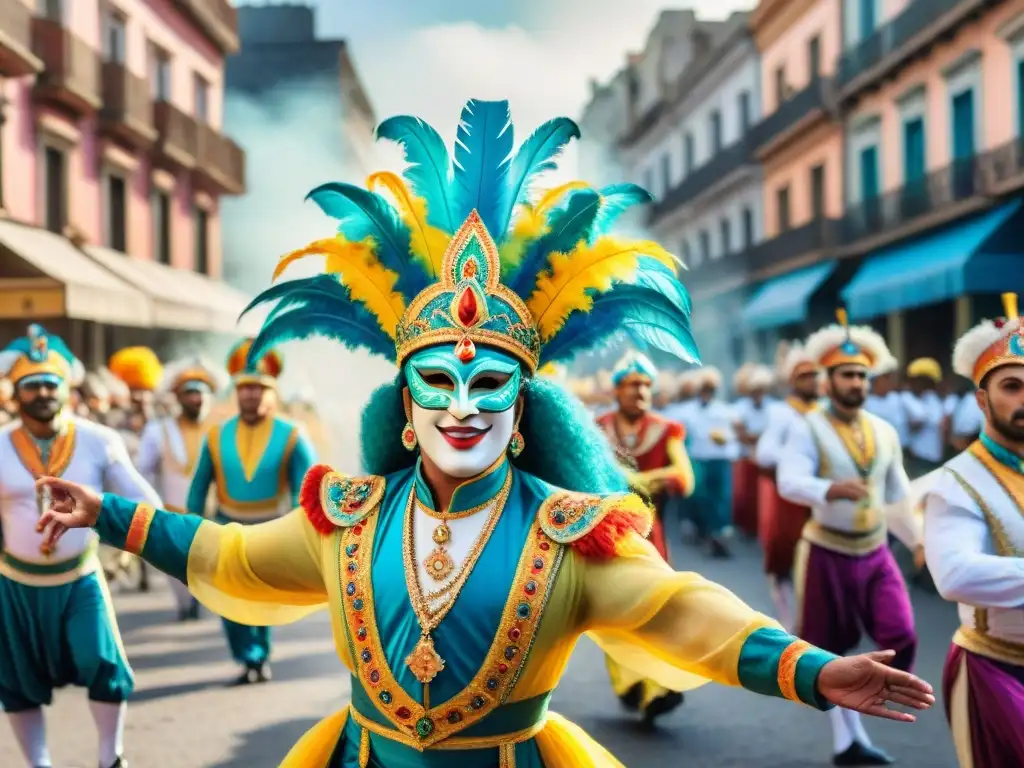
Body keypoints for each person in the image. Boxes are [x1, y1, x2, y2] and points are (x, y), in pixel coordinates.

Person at [35, 101, 933, 767]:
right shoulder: (345, 517)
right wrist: (108, 514)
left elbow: (681, 609)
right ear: (405, 408)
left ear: (523, 410)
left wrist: (808, 671)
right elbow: (232, 557)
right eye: (437, 383)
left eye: (488, 384)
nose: (462, 406)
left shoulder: (572, 533)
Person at [0, 324, 161, 768]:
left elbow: (146, 503)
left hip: (80, 579)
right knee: (16, 680)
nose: (43, 392)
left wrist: (127, 540)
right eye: (32, 384)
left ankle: (111, 758)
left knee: (102, 662)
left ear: (66, 388)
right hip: (14, 584)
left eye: (51, 383)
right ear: (15, 392)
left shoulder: (98, 440)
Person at [777, 310, 926, 766]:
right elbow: (788, 480)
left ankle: (868, 699)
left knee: (901, 633)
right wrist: (829, 489)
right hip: (827, 549)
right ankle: (848, 740)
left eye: (862, 375)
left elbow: (898, 494)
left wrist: (918, 542)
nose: (857, 383)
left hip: (876, 550)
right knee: (829, 649)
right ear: (827, 380)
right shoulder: (807, 427)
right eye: (847, 375)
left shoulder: (884, 431)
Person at [923, 292, 1024, 767]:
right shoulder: (956, 481)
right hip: (997, 669)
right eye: (1012, 386)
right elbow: (955, 575)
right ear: (982, 400)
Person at [185, 339, 317, 684]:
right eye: (244, 388)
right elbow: (199, 486)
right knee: (231, 601)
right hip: (226, 529)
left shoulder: (292, 435)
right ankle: (248, 658)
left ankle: (260, 656)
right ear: (236, 391)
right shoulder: (216, 436)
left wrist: (303, 533)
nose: (251, 395)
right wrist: (191, 528)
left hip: (271, 530)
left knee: (261, 599)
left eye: (258, 388)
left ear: (271, 392)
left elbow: (308, 488)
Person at [596, 351, 695, 726]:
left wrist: (645, 480)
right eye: (631, 385)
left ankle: (658, 686)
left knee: (656, 610)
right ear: (616, 390)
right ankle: (632, 683)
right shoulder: (596, 428)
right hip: (606, 533)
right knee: (613, 613)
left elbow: (684, 478)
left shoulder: (667, 429)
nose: (639, 392)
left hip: (652, 536)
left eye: (645, 385)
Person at [136, 355, 226, 621]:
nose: (196, 399)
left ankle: (200, 598)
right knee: (177, 566)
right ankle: (186, 603)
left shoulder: (222, 430)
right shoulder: (158, 430)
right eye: (190, 393)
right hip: (174, 512)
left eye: (201, 393)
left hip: (214, 514)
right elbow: (143, 471)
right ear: (178, 397)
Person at [754, 342, 819, 632]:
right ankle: (789, 618)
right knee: (785, 556)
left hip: (818, 494)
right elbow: (765, 453)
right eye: (804, 376)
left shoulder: (825, 410)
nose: (812, 381)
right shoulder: (781, 412)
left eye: (814, 375)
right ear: (792, 381)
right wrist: (798, 460)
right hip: (789, 497)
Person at [681, 366, 738, 557]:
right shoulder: (688, 411)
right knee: (702, 498)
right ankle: (707, 533)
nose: (707, 393)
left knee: (722, 498)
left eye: (711, 389)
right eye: (704, 389)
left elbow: (734, 433)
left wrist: (725, 438)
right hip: (699, 459)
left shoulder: (724, 410)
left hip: (720, 460)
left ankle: (720, 534)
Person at [732, 364, 774, 539]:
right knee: (747, 496)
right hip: (746, 457)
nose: (758, 394)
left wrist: (758, 438)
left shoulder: (773, 406)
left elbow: (773, 431)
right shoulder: (740, 407)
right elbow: (740, 431)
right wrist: (754, 438)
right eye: (754, 391)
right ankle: (747, 527)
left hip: (765, 459)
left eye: (760, 390)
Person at [901, 358, 946, 478]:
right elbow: (916, 422)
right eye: (922, 381)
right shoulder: (905, 398)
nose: (926, 385)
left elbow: (941, 422)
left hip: (935, 458)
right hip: (917, 459)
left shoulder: (932, 398)